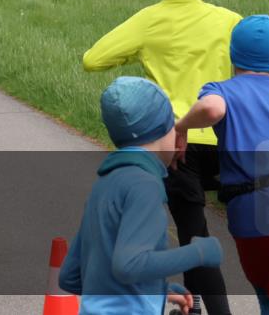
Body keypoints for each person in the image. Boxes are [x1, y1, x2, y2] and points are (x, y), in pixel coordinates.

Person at [83, 0, 269, 315]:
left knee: (194, 236)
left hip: (176, 147)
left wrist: (142, 55)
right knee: (257, 238)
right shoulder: (230, 21)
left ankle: (204, 307)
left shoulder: (148, 21)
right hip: (233, 141)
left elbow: (93, 59)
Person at [175, 15, 269, 314]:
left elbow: (212, 108)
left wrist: (181, 128)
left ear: (233, 55)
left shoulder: (222, 89)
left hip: (252, 215)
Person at [60, 76, 223, 314]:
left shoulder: (106, 183)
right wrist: (199, 252)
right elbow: (129, 266)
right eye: (172, 126)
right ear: (161, 132)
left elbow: (71, 276)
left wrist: (156, 288)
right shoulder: (144, 186)